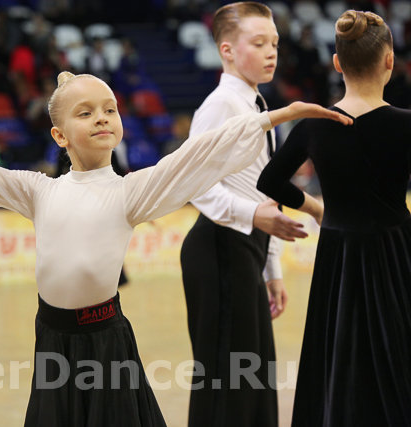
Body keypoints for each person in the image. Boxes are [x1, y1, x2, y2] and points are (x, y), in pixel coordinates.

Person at [0, 71, 350, 427]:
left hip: (106, 341)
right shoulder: (37, 190)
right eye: (85, 112)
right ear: (60, 135)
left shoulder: (131, 191)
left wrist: (275, 117)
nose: (102, 118)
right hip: (53, 340)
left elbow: (196, 156)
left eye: (109, 109)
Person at [257, 10, 411, 426]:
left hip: (338, 253)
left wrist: (313, 207)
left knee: (339, 350)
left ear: (337, 63)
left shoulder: (315, 125)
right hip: (397, 249)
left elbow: (269, 180)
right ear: (390, 61)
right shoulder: (406, 125)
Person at [179, 4, 307, 426]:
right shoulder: (220, 105)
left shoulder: (255, 104)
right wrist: (253, 215)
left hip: (245, 250)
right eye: (259, 43)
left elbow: (262, 188)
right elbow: (194, 183)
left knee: (254, 379)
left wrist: (272, 269)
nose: (271, 52)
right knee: (228, 383)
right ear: (227, 50)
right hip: (218, 249)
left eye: (274, 43)